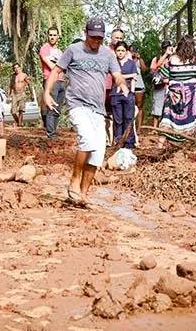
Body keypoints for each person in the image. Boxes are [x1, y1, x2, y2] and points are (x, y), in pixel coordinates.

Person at [44, 17, 127, 207]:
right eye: (93, 38)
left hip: (97, 109)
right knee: (87, 139)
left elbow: (117, 75)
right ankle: (74, 179)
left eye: (99, 38)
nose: (96, 41)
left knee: (98, 153)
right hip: (77, 105)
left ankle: (82, 195)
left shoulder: (108, 54)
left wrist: (121, 83)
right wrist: (47, 94)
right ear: (85, 34)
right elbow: (56, 71)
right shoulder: (73, 50)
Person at [158, 35, 196, 145]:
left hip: (174, 96)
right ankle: (195, 145)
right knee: (195, 120)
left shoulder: (171, 60)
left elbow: (164, 77)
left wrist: (177, 85)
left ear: (179, 46)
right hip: (192, 96)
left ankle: (160, 145)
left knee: (168, 119)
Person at [39, 26, 65, 138]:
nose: (52, 37)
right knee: (51, 107)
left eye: (54, 35)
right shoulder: (45, 49)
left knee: (58, 108)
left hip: (61, 81)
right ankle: (51, 134)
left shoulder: (60, 52)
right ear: (47, 36)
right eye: (50, 35)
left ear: (58, 36)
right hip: (50, 80)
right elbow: (52, 66)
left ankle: (53, 131)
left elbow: (64, 67)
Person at [111, 42, 138, 148]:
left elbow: (135, 77)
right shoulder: (113, 63)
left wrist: (132, 93)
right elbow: (115, 77)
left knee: (129, 118)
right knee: (118, 120)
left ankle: (129, 143)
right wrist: (129, 75)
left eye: (122, 50)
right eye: (118, 50)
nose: (120, 53)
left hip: (128, 94)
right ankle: (118, 141)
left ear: (126, 52)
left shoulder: (131, 63)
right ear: (115, 51)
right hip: (115, 94)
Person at [150, 40, 173, 127]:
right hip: (159, 86)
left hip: (170, 85)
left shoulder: (174, 58)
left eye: (168, 47)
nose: (166, 49)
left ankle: (166, 127)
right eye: (164, 48)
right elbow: (155, 68)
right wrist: (166, 54)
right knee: (157, 106)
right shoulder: (157, 58)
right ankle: (155, 127)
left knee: (169, 107)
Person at [129, 43, 148, 129]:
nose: (133, 53)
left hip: (139, 86)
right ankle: (130, 127)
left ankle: (139, 127)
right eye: (131, 51)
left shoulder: (139, 60)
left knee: (140, 106)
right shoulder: (127, 59)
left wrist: (139, 58)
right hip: (129, 86)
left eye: (134, 51)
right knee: (129, 107)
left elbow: (145, 69)